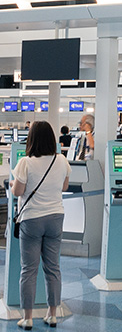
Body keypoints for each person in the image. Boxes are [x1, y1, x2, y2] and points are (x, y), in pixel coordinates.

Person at [10, 121, 71, 329]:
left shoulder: (25, 162)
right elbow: (64, 186)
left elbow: (18, 192)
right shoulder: (61, 160)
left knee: (29, 270)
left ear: (32, 139)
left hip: (32, 219)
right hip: (55, 217)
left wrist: (13, 184)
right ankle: (52, 315)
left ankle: (27, 318)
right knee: (53, 268)